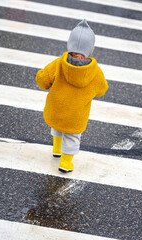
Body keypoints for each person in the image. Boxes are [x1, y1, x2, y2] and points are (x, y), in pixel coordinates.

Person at [35, 19, 109, 173]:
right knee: (72, 136)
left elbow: (42, 80)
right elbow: (102, 89)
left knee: (57, 127)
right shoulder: (95, 72)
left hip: (57, 108)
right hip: (76, 114)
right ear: (90, 50)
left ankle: (56, 149)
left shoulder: (58, 64)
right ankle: (66, 162)